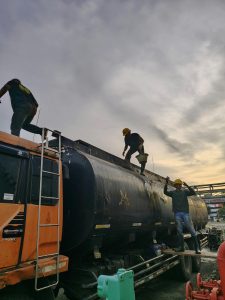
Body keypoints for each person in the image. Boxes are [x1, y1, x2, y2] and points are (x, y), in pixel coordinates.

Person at [164, 177, 201, 254]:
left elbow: (193, 192)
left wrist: (187, 185)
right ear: (175, 186)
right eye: (177, 185)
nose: (178, 186)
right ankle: (181, 248)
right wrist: (166, 183)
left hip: (185, 213)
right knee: (179, 231)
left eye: (179, 185)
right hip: (177, 214)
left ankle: (197, 248)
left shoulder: (185, 192)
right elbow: (165, 192)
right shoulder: (173, 193)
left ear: (181, 185)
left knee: (191, 230)